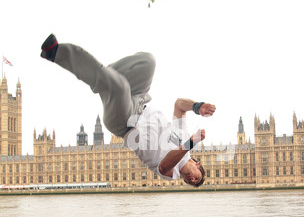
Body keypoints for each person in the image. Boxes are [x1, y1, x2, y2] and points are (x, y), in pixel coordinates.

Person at [40, 34, 216, 187]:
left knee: (120, 87)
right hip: (140, 100)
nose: (191, 178)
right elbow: (179, 104)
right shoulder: (183, 134)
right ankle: (105, 74)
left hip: (125, 122)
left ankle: (57, 53)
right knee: (148, 61)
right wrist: (196, 106)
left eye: (190, 182)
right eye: (196, 177)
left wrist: (190, 143)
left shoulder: (173, 172)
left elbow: (164, 165)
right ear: (197, 164)